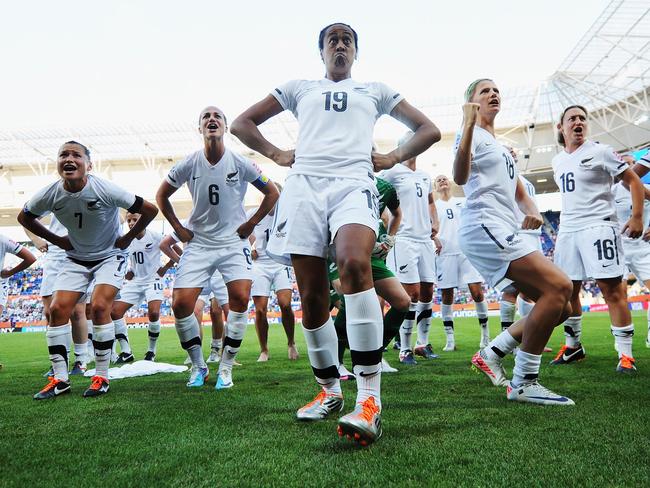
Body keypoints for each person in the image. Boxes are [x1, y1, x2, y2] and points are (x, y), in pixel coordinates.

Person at [231, 22, 440, 445]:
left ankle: (369, 401)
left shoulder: (375, 90)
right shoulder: (298, 88)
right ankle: (329, 391)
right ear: (321, 51)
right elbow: (242, 123)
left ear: (356, 52)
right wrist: (276, 153)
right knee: (311, 295)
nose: (340, 44)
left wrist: (393, 156)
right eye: (333, 39)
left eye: (347, 40)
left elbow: (428, 129)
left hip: (353, 183)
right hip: (305, 185)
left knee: (354, 263)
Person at [454, 79, 574, 405]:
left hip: (504, 228)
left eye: (496, 91)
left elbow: (521, 193)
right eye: (485, 91)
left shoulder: (501, 146)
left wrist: (534, 212)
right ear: (472, 103)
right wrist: (466, 125)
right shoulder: (472, 135)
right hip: (484, 226)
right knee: (561, 286)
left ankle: (492, 352)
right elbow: (460, 176)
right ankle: (524, 381)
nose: (494, 94)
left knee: (564, 306)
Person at [18, 140, 158, 399]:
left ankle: (101, 377)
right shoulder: (51, 193)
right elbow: (24, 217)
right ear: (58, 163)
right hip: (75, 258)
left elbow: (150, 209)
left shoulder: (103, 188)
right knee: (57, 310)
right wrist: (58, 240)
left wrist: (128, 238)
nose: (69, 159)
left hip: (109, 255)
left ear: (89, 165)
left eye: (76, 155)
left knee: (100, 307)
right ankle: (60, 380)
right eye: (63, 155)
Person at [156, 106, 278, 390]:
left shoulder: (241, 162)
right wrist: (178, 227)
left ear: (224, 126)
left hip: (232, 242)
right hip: (198, 243)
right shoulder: (188, 163)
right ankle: (199, 367)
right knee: (181, 305)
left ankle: (225, 368)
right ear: (200, 128)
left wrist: (251, 223)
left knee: (240, 299)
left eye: (217, 117)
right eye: (206, 117)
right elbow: (161, 195)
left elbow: (272, 192)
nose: (212, 120)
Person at [551, 106, 644, 373]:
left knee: (612, 290)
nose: (578, 122)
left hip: (599, 227)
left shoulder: (601, 151)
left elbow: (634, 182)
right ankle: (573, 346)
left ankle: (626, 355)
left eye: (582, 118)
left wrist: (637, 216)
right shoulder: (557, 161)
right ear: (561, 127)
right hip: (568, 231)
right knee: (568, 293)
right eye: (572, 119)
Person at [330, 175, 409, 375]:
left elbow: (396, 214)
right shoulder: (335, 179)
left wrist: (390, 237)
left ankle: (375, 354)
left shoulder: (385, 187)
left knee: (402, 302)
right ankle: (336, 362)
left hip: (370, 255)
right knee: (347, 300)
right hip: (339, 250)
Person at [382, 132, 440, 365]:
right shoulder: (392, 172)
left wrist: (435, 224)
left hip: (424, 239)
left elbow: (430, 202)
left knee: (427, 292)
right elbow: (378, 196)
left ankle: (421, 344)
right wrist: (389, 224)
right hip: (404, 239)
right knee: (411, 293)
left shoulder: (425, 176)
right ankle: (404, 348)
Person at [432, 174, 489, 351]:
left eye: (444, 179)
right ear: (435, 187)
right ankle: (450, 340)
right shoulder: (434, 206)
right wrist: (435, 239)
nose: (442, 181)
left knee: (477, 292)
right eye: (438, 180)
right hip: (445, 253)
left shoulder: (463, 202)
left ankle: (485, 337)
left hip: (466, 252)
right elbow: (430, 228)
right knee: (447, 295)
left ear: (450, 183)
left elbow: (475, 221)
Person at [26, 218, 90, 375]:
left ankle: (81, 360)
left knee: (77, 311)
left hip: (78, 254)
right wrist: (35, 239)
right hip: (54, 256)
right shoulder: (52, 194)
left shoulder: (92, 193)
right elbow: (26, 217)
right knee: (50, 313)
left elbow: (119, 216)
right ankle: (60, 361)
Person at [110, 212, 174, 363]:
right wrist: (131, 272)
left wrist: (165, 268)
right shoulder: (127, 240)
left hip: (153, 280)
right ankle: (126, 351)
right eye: (129, 220)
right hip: (137, 281)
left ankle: (151, 351)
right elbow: (130, 261)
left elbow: (177, 251)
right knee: (115, 311)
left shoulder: (156, 235)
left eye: (135, 220)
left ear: (143, 220)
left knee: (153, 312)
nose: (131, 223)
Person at [159, 231, 229, 364]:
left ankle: (216, 349)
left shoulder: (218, 217)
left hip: (218, 271)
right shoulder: (189, 222)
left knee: (216, 311)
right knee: (195, 312)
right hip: (198, 271)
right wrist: (181, 261)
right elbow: (169, 244)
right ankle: (196, 351)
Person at [247, 188, 299, 362]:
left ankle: (291, 343)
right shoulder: (253, 213)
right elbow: (246, 234)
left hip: (280, 262)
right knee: (260, 310)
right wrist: (252, 247)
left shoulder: (286, 213)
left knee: (285, 305)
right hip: (260, 264)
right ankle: (264, 350)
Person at [0, 233, 37, 369]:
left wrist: (10, 272)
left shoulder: (2, 239)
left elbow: (31, 258)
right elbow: (30, 257)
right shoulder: (2, 239)